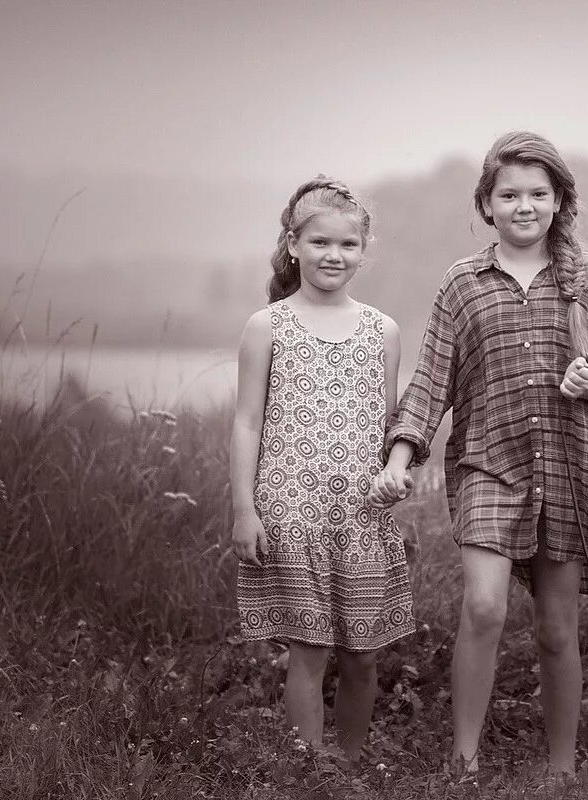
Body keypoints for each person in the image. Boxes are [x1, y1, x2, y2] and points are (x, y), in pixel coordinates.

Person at [370, 132, 588, 780]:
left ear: (559, 200)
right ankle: (463, 761)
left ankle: (562, 769)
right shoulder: (462, 284)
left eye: (537, 193)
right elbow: (431, 380)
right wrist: (401, 459)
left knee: (555, 627)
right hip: (489, 464)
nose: (524, 205)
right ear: (486, 204)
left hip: (570, 471)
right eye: (508, 194)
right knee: (484, 606)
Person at [231, 176, 414, 758]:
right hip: (291, 513)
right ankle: (312, 768)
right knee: (308, 650)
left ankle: (352, 762)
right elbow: (247, 424)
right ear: (293, 244)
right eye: (319, 243)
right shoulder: (267, 327)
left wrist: (396, 470)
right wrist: (243, 510)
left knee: (362, 653)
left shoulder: (382, 331)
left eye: (347, 245)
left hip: (360, 516)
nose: (333, 255)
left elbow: (388, 424)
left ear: (363, 251)